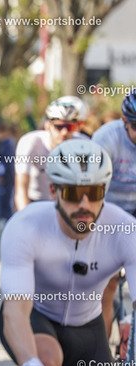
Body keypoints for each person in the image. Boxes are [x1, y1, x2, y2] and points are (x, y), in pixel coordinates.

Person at [0, 139, 136, 366]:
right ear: (54, 191)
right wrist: (30, 365)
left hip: (88, 329)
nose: (84, 204)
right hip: (37, 317)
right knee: (45, 364)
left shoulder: (124, 229)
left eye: (94, 193)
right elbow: (16, 309)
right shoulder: (25, 225)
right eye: (73, 193)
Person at [92, 89, 136, 337]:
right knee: (108, 284)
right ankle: (101, 352)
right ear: (124, 122)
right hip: (106, 209)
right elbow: (93, 192)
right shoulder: (106, 138)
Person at [14, 96, 87, 210]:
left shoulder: (84, 145)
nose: (64, 132)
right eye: (59, 126)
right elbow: (21, 188)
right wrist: (24, 216)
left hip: (66, 204)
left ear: (76, 127)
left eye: (69, 127)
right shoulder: (31, 142)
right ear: (47, 126)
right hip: (34, 201)